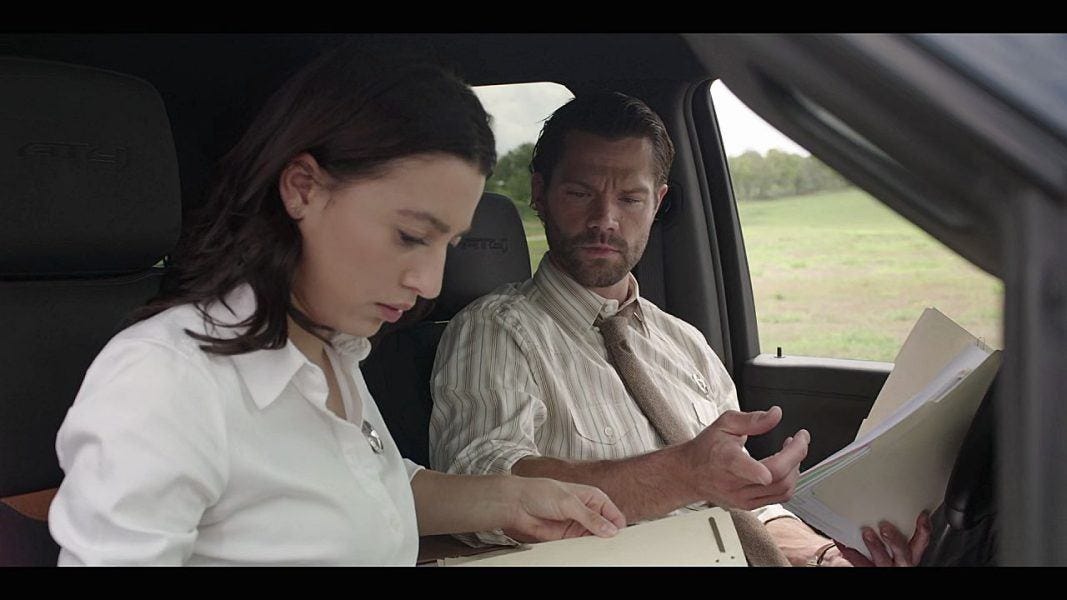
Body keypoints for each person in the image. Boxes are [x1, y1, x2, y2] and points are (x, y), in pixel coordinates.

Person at [46, 47, 626, 566]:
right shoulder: (166, 381)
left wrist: (510, 498)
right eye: (409, 235)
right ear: (303, 188)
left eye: (448, 244)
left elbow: (367, 494)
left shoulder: (332, 350)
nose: (429, 283)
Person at [429, 91, 931, 567]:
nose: (604, 219)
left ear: (658, 202)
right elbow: (482, 485)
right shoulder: (496, 331)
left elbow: (745, 511)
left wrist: (824, 556)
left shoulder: (685, 344)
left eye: (630, 198)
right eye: (581, 192)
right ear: (540, 193)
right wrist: (684, 474)